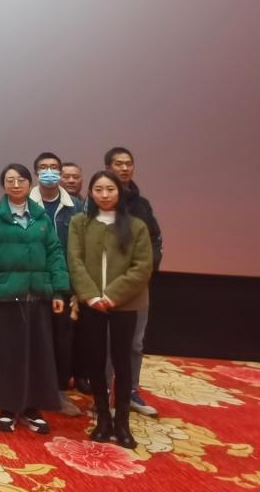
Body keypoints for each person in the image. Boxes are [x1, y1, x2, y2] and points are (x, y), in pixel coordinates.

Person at [0, 163, 69, 435]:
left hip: (37, 296)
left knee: (38, 354)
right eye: (10, 180)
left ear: (29, 184)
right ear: (3, 185)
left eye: (21, 180)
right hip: (5, 297)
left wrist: (58, 290)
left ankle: (31, 408)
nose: (16, 185)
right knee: (6, 354)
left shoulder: (41, 217)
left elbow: (55, 254)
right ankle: (6, 408)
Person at [68, 170, 153, 449]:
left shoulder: (136, 226)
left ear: (119, 192)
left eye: (110, 189)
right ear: (91, 193)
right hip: (91, 303)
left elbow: (142, 266)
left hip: (125, 303)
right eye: (99, 190)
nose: (104, 195)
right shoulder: (80, 223)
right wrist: (92, 296)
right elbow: (75, 261)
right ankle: (103, 419)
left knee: (122, 361)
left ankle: (122, 423)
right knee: (94, 360)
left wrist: (112, 295)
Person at [105, 146, 163, 417]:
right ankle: (104, 393)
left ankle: (130, 391)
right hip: (105, 285)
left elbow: (155, 240)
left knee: (135, 343)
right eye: (119, 163)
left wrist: (146, 269)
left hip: (137, 285)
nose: (125, 168)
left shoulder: (142, 205)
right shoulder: (98, 203)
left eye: (128, 163)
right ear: (108, 168)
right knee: (106, 343)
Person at [30, 151, 83, 417]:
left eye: (53, 167)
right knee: (34, 340)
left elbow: (81, 250)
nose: (49, 171)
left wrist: (76, 290)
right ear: (36, 173)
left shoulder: (76, 207)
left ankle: (59, 393)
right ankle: (32, 392)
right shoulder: (24, 202)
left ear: (60, 173)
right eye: (43, 167)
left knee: (62, 343)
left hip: (64, 284)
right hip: (32, 284)